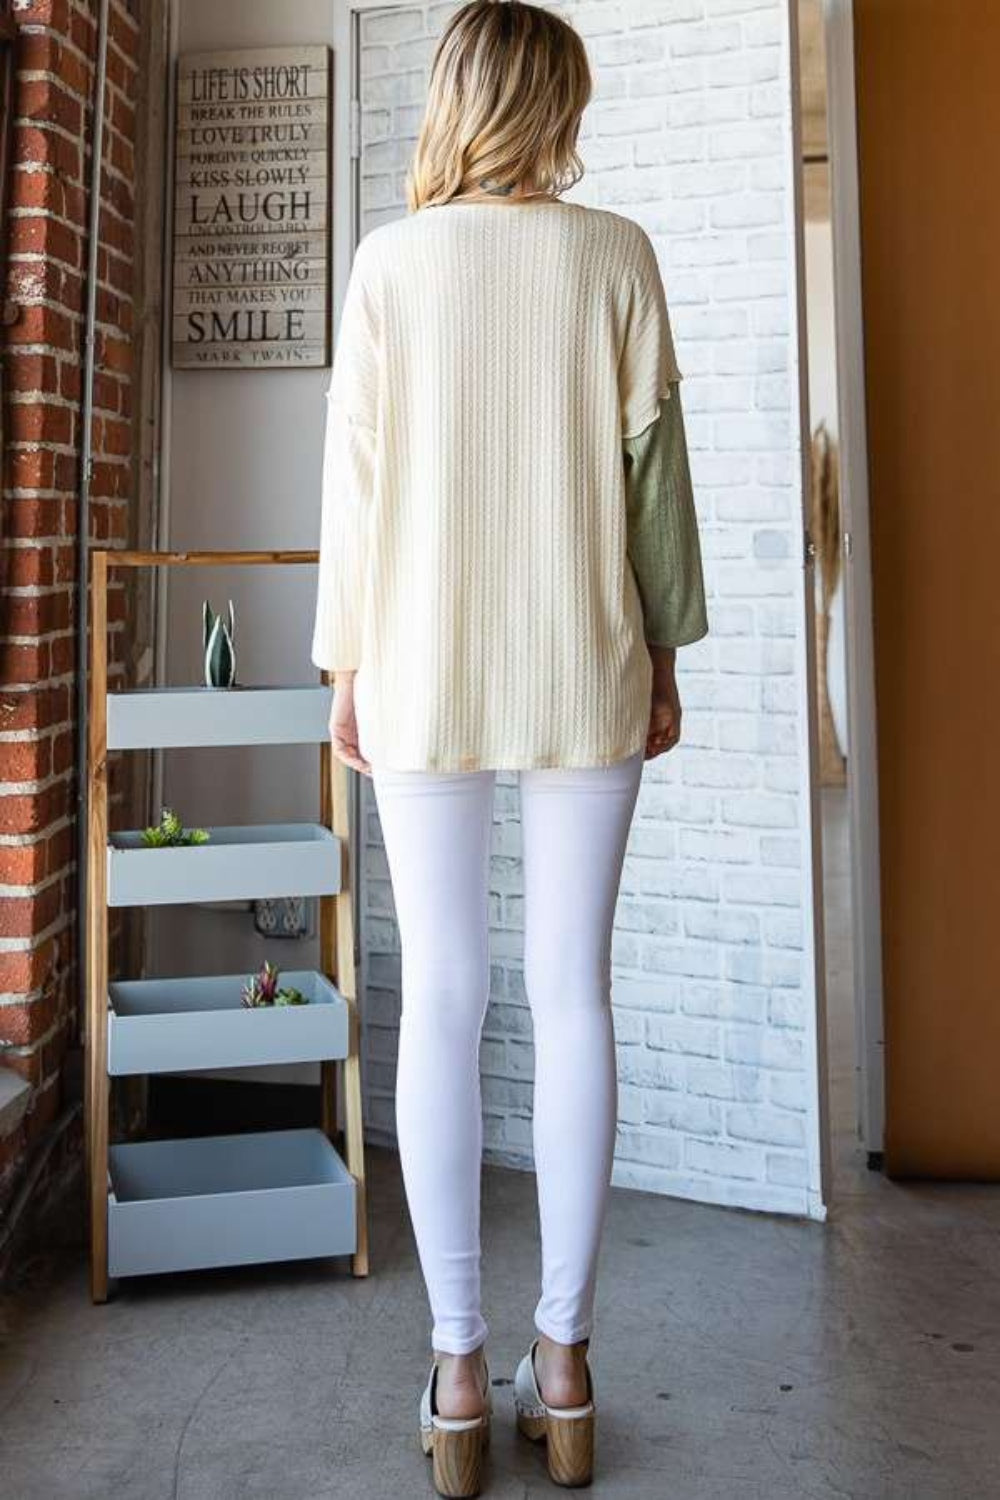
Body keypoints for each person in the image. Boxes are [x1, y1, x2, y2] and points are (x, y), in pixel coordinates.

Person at [311, 2, 707, 1492]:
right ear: (557, 103)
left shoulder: (388, 266)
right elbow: (656, 482)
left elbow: (353, 490)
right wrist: (662, 657)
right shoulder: (617, 256)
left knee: (450, 1000)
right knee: (571, 993)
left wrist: (343, 666)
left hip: (419, 661)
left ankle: (461, 1373)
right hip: (581, 660)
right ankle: (566, 1362)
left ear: (452, 101)